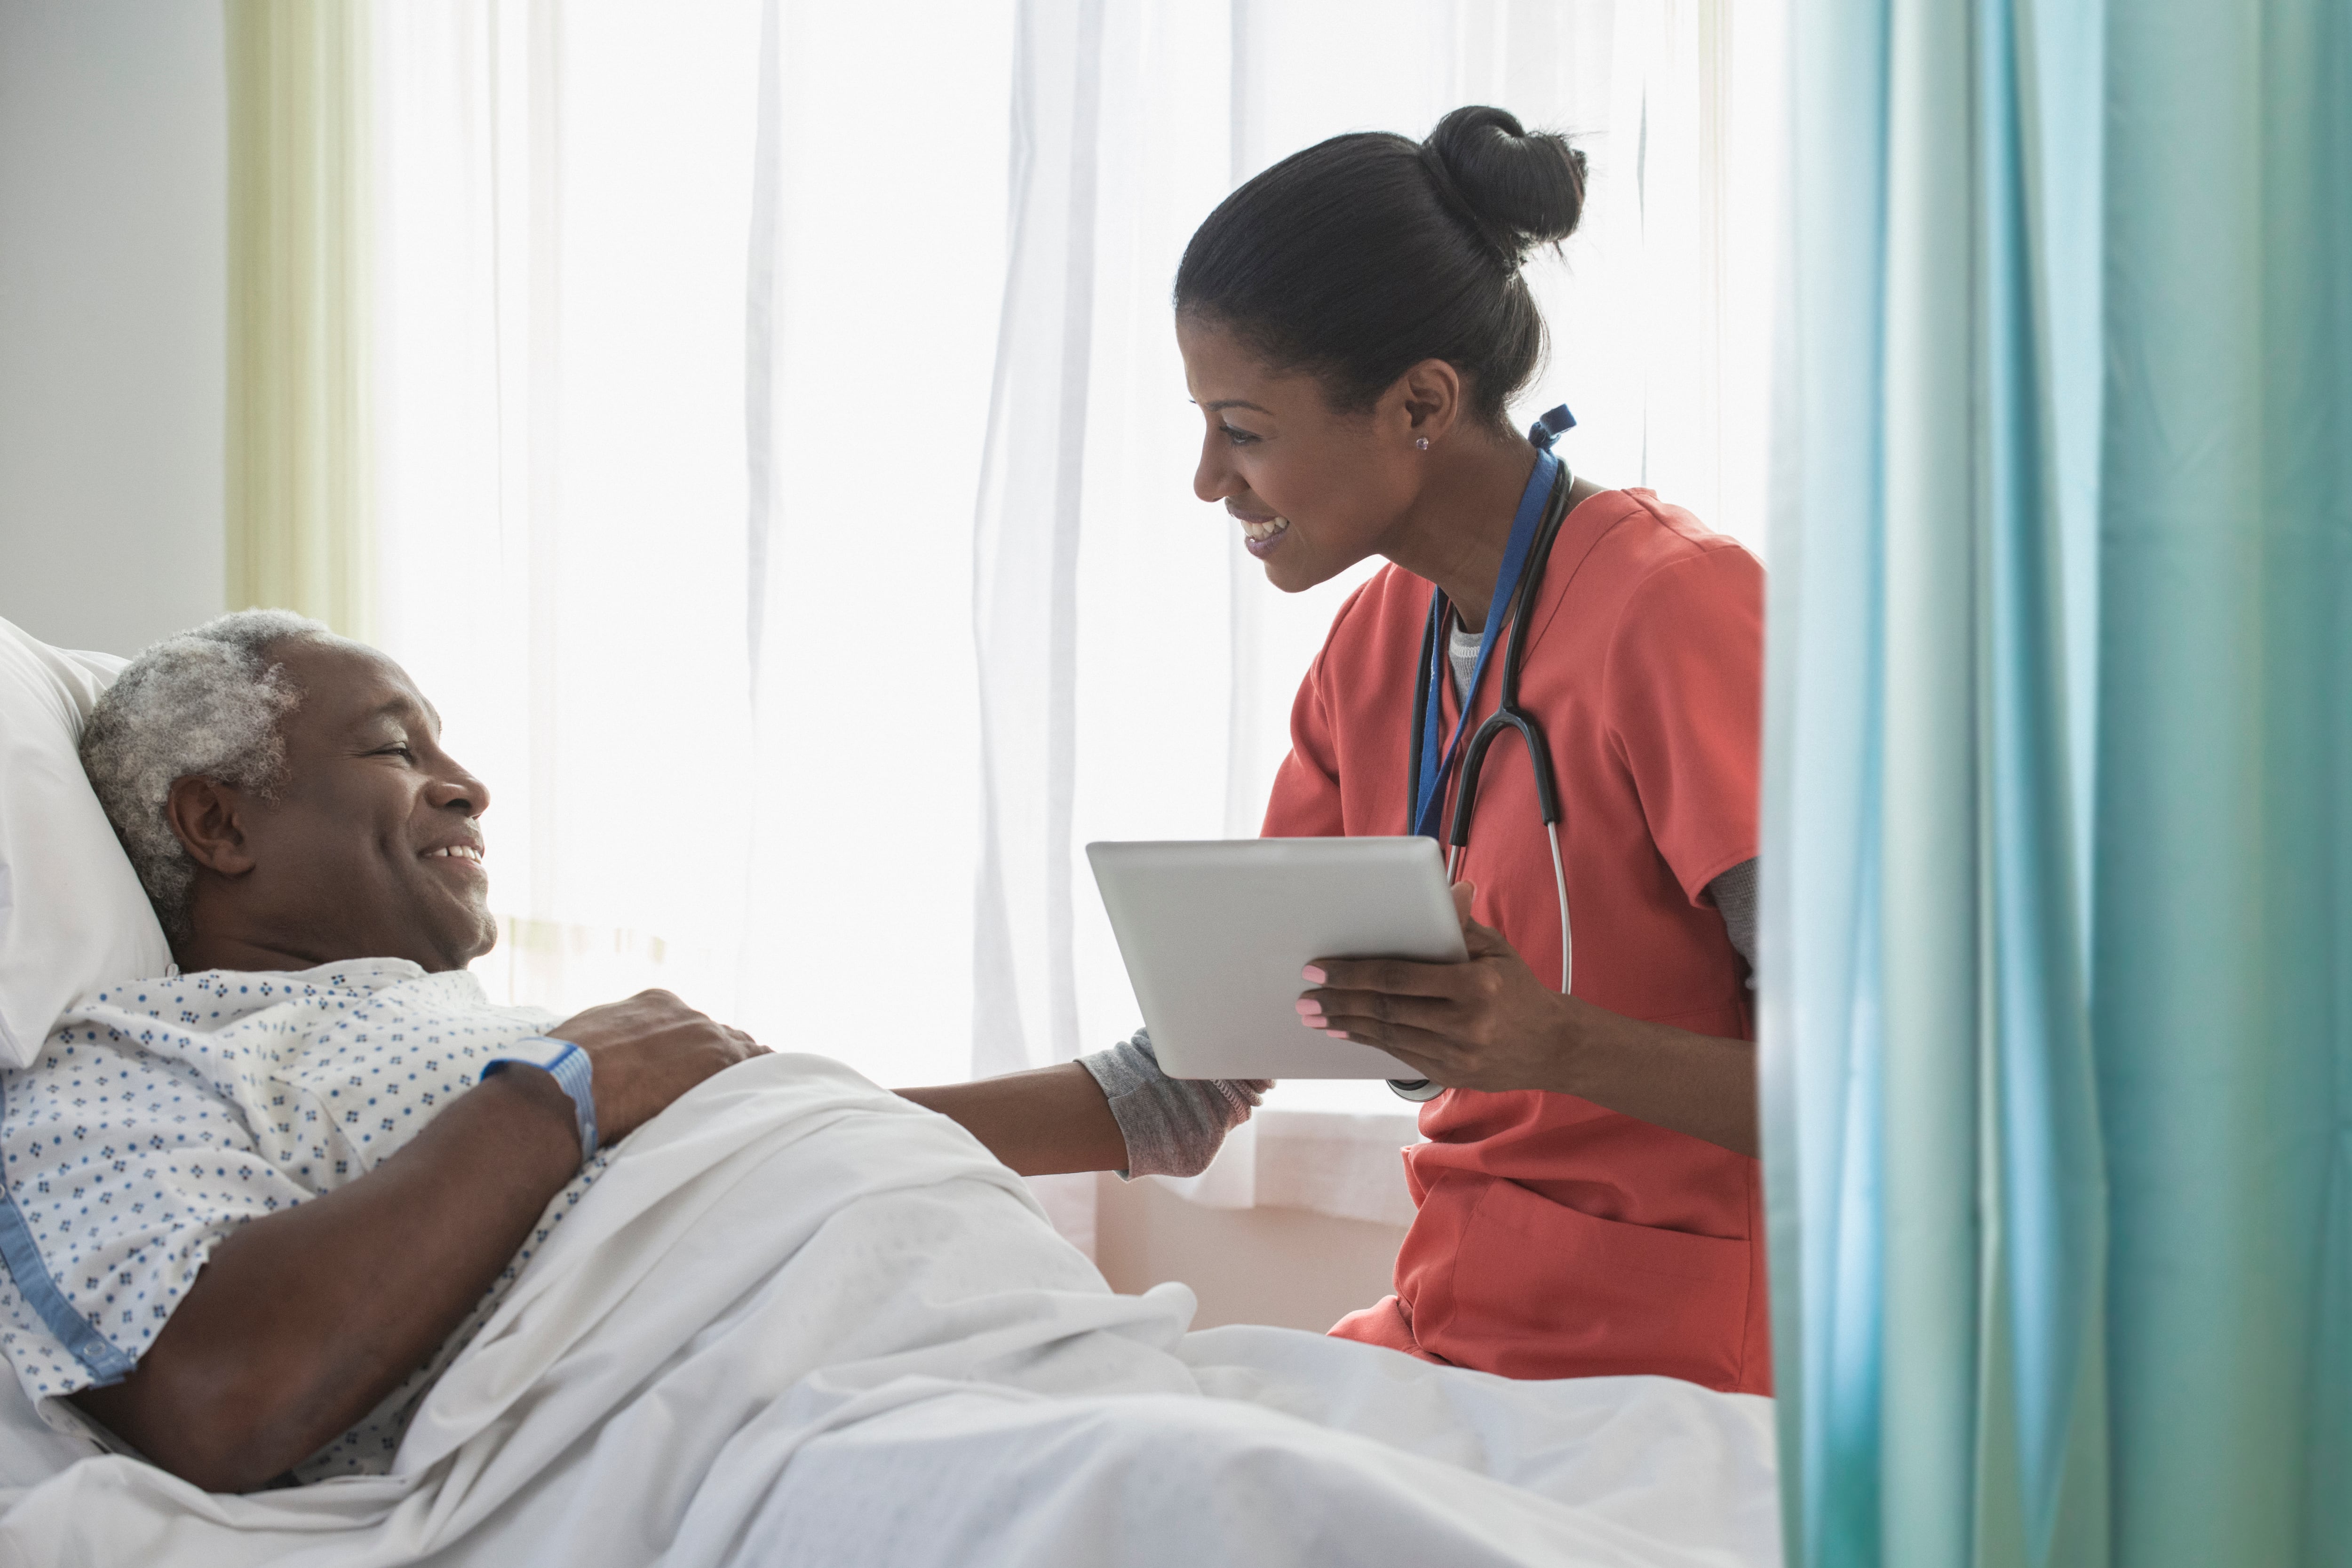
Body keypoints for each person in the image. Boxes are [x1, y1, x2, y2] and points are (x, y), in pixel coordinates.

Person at [4, 612, 1119, 1491]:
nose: (470, 785)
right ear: (220, 825)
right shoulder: (124, 1073)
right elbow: (219, 1389)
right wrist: (554, 1094)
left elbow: (755, 1143)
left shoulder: (482, 1032)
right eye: (395, 746)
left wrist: (1121, 1104)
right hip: (806, 1411)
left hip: (1014, 1336)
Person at [1039, 104, 1769, 1393]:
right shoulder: (1376, 650)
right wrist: (811, 1115)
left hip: (1685, 1369)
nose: (1210, 479)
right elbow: (1185, 1085)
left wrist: (1554, 1043)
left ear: (1421, 402)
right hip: (1454, 1331)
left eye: (1246, 428)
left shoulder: (1682, 610)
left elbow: (1892, 1104)